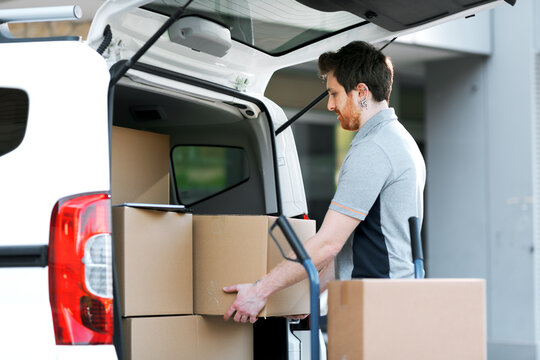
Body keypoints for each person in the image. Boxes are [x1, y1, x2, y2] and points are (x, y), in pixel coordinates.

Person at [223, 41, 426, 324]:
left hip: (378, 308)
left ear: (362, 92)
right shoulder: (398, 139)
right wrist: (309, 297)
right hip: (391, 302)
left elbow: (328, 243)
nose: (330, 104)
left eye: (334, 93)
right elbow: (347, 247)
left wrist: (260, 290)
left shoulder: (375, 149)